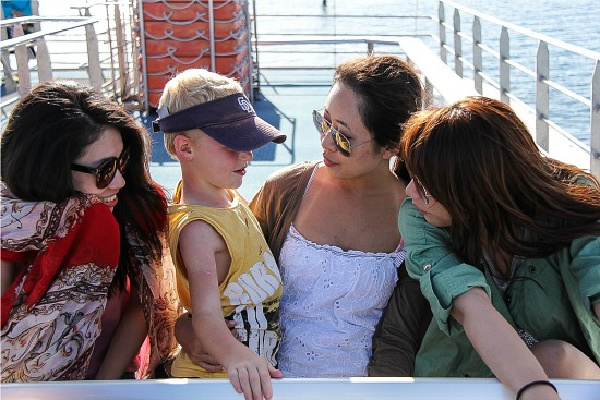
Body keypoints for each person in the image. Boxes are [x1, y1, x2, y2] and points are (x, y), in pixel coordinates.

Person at [174, 55, 431, 378]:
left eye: (343, 137)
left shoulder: (417, 220)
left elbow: (404, 336)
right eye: (324, 122)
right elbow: (224, 285)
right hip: (271, 386)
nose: (325, 142)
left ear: (391, 146)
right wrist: (184, 328)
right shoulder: (284, 191)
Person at [398, 97, 600, 399]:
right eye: (412, 176)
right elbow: (469, 304)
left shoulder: (574, 203)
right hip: (465, 379)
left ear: (472, 190)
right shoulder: (419, 217)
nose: (410, 191)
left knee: (554, 357)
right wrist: (534, 390)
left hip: (571, 379)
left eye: (426, 187)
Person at [1, 81, 179, 381]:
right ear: (50, 168)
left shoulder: (132, 208)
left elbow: (141, 305)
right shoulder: (8, 227)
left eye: (122, 162)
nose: (120, 181)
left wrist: (101, 388)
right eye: (105, 170)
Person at [153, 68, 287, 400]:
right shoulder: (199, 229)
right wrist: (236, 356)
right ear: (186, 149)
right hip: (215, 381)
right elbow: (207, 317)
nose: (248, 154)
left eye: (249, 141)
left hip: (243, 374)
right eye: (233, 145)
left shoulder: (226, 196)